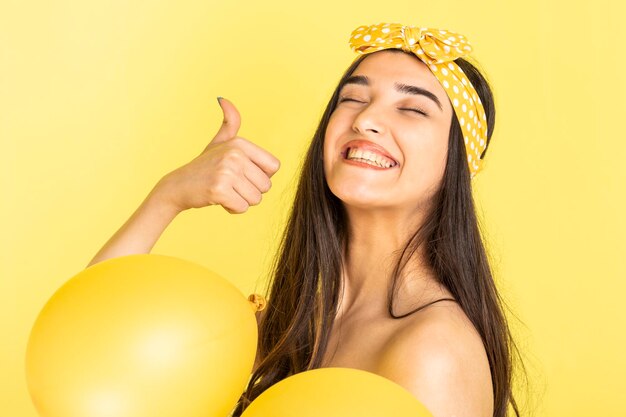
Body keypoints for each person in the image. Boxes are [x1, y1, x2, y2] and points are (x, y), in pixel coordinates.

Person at [87, 23, 525, 417]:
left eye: (412, 109)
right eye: (353, 98)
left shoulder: (434, 350)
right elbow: (90, 349)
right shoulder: (287, 323)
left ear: (460, 160)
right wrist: (168, 197)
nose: (367, 119)